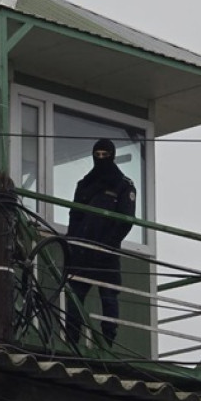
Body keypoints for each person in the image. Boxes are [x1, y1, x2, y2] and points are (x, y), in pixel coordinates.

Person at [65, 138, 136, 348]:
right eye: (97, 155)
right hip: (82, 251)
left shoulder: (123, 185)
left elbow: (125, 221)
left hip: (107, 253)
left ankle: (107, 345)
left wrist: (108, 245)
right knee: (74, 298)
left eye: (105, 155)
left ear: (112, 156)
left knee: (109, 297)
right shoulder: (84, 185)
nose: (101, 158)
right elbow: (74, 216)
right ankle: (71, 343)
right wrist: (72, 244)